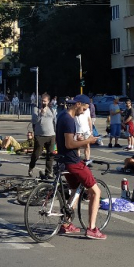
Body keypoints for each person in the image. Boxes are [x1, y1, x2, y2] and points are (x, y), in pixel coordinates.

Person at [56, 95, 107, 240]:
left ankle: (66, 224)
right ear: (78, 104)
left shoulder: (62, 116)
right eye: (84, 109)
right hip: (73, 161)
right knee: (96, 192)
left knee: (75, 192)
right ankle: (91, 228)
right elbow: (69, 145)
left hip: (64, 160)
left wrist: (78, 140)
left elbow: (67, 140)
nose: (84, 112)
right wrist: (87, 141)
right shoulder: (69, 120)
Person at [29, 92, 57, 178]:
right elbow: (34, 121)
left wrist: (56, 134)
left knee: (50, 155)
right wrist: (41, 113)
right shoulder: (36, 109)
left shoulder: (52, 110)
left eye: (45, 101)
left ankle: (48, 172)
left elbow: (55, 122)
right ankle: (31, 167)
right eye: (42, 101)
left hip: (51, 135)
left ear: (48, 101)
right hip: (40, 136)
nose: (43, 102)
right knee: (36, 154)